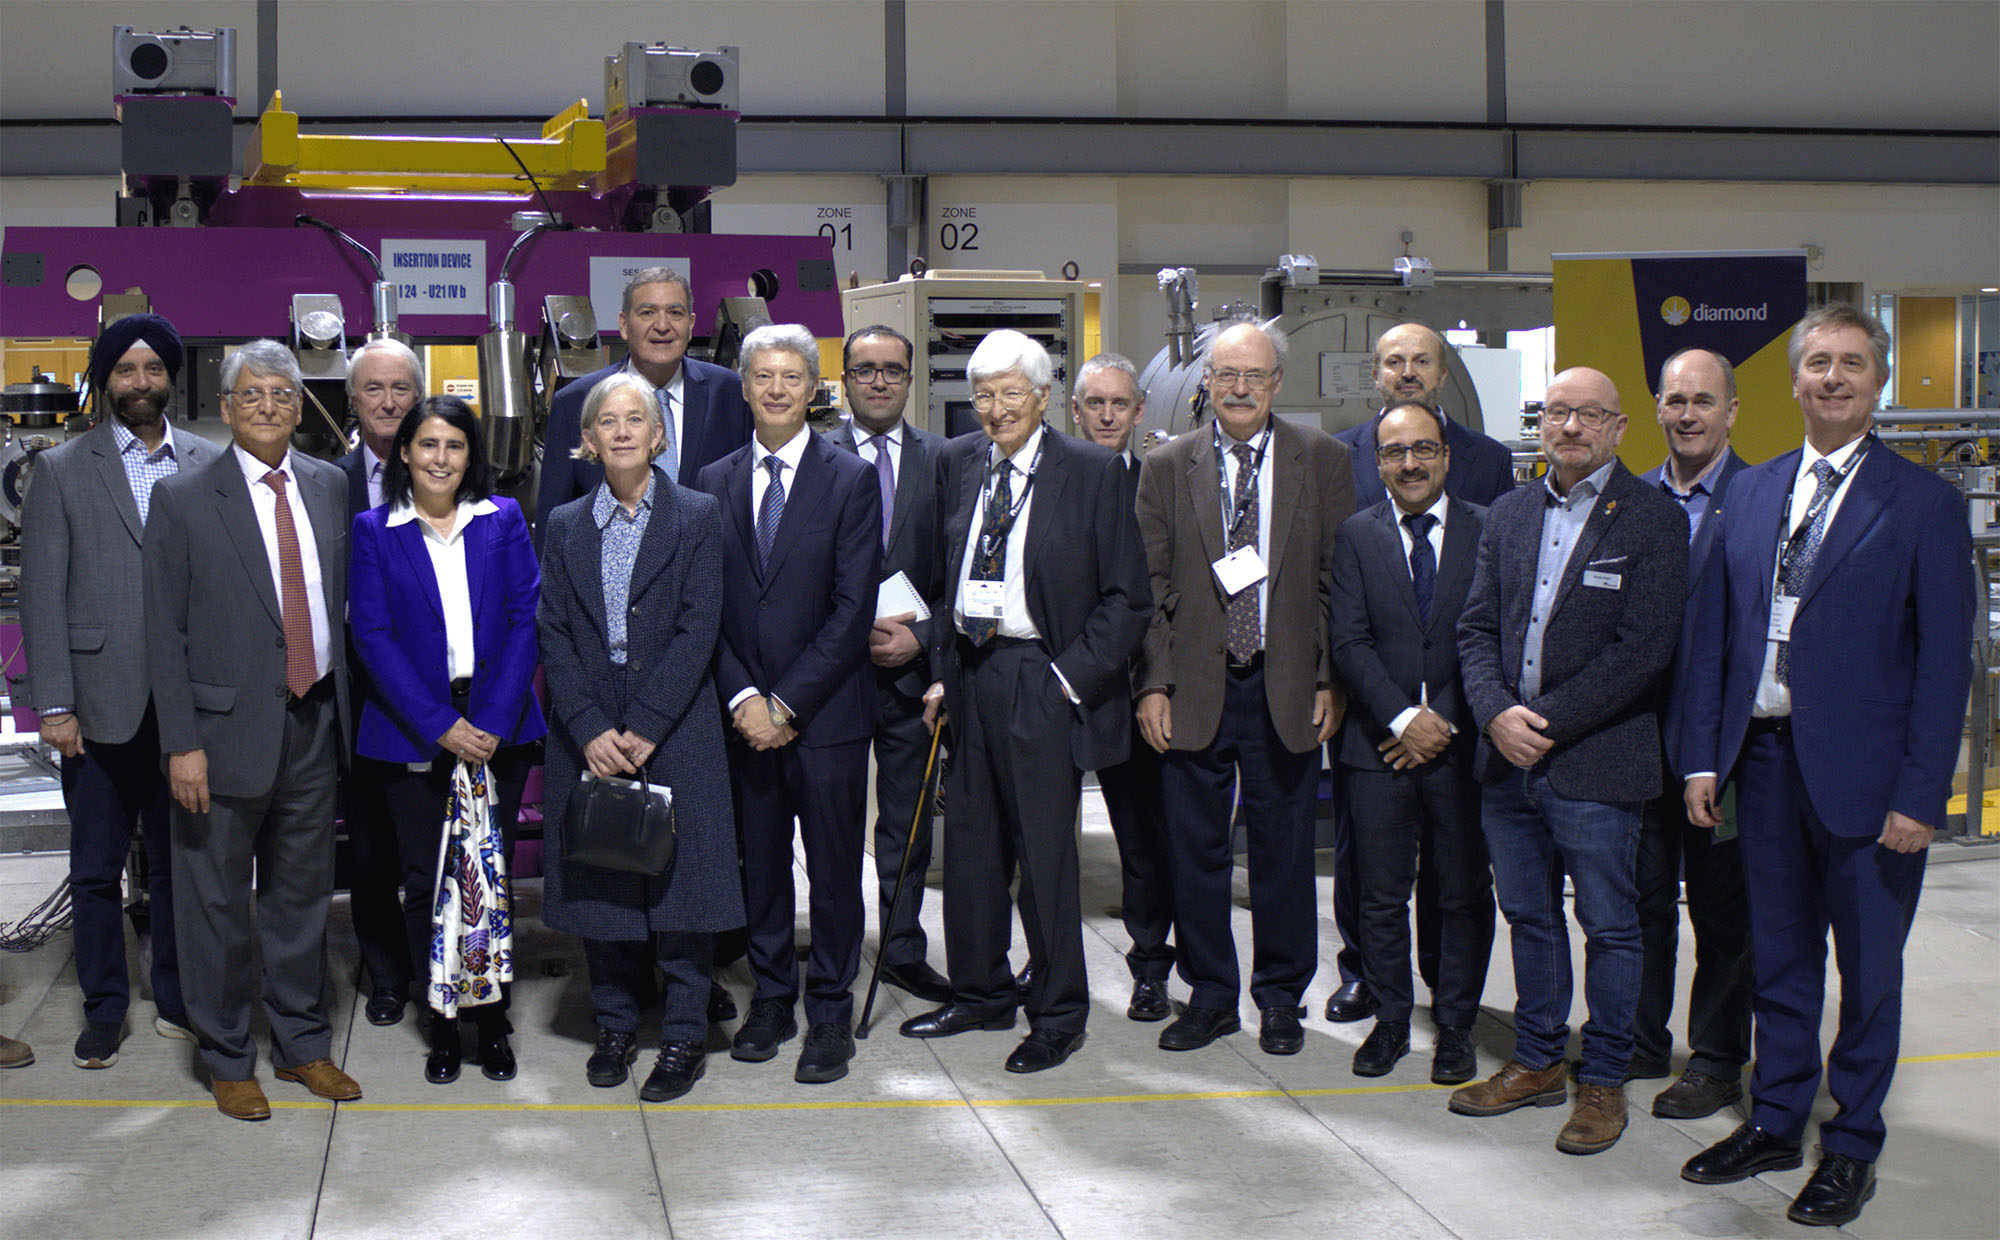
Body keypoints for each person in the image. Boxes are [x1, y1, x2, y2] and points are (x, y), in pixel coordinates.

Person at [1678, 305, 1976, 1227]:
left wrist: (1923, 793)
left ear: (1877, 381)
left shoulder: (1923, 502)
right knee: (1780, 960)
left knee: (1870, 972)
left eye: (1851, 363)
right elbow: (1716, 642)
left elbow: (1942, 662)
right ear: (1794, 381)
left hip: (1871, 783)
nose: (1833, 378)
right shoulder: (1756, 493)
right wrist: (1702, 760)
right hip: (1762, 766)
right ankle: (1774, 1118)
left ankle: (1851, 1144)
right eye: (1817, 364)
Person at [1450, 366, 1686, 1155]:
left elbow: (1642, 652)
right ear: (1540, 423)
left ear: (1620, 428)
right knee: (1529, 917)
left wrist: (1541, 722)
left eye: (1589, 415)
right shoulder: (1510, 513)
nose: (1572, 428)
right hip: (1508, 763)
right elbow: (1476, 630)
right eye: (1558, 413)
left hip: (1595, 761)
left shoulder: (1651, 520)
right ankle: (1539, 1060)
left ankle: (1604, 1080)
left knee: (1611, 927)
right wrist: (1494, 715)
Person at [901, 328, 1149, 1074]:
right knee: (971, 851)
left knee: (1044, 859)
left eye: (1012, 393)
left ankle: (1058, 1012)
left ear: (1044, 397)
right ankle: (980, 992)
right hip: (972, 676)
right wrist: (942, 669)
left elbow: (1126, 601)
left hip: (1044, 677)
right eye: (982, 393)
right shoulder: (957, 462)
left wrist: (1067, 682)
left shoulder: (1094, 473)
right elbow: (940, 580)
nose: (995, 408)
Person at [144, 339, 360, 1120]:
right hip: (219, 735)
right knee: (214, 904)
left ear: (301, 408)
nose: (268, 406)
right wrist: (181, 743)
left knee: (301, 901)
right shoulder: (184, 496)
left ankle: (302, 1045)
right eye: (252, 394)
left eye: (282, 394)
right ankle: (228, 1055)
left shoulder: (330, 486)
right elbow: (162, 631)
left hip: (311, 722)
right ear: (227, 407)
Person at [1134, 320, 1350, 1057]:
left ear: (1277, 383)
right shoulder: (1167, 467)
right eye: (1226, 374)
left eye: (1254, 376)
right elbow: (1151, 589)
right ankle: (1211, 995)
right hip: (1195, 687)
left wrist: (1328, 677)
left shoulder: (1321, 460)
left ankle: (1281, 996)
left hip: (1285, 687)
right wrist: (1154, 685)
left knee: (1284, 853)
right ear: (1205, 382)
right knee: (1195, 853)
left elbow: (1334, 581)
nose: (1239, 388)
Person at [538, 371, 746, 1103]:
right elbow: (553, 632)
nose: (622, 431)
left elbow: (700, 627)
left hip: (677, 725)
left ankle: (686, 1031)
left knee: (684, 888)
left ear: (659, 436)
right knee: (604, 884)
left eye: (637, 419)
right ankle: (617, 1023)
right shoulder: (564, 525)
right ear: (587, 442)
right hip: (589, 725)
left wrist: (647, 728)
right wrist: (592, 728)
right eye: (607, 421)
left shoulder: (697, 515)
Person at [21, 313, 218, 1068]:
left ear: (171, 377)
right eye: (125, 370)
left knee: (177, 866)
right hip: (98, 708)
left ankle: (174, 997)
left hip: (185, 709)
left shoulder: (207, 459)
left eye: (153, 369)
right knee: (97, 869)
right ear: (105, 381)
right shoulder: (65, 470)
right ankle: (105, 1007)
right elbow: (43, 593)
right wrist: (56, 704)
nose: (140, 382)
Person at [697, 324, 881, 1085]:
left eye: (790, 376)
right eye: (762, 376)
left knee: (835, 871)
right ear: (744, 388)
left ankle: (828, 1009)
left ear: (813, 389)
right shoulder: (711, 482)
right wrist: (745, 697)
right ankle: (773, 997)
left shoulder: (850, 479)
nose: (776, 388)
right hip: (744, 721)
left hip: (827, 717)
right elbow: (706, 607)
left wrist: (786, 703)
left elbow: (852, 609)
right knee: (762, 869)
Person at [348, 396, 546, 1084]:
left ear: (472, 457)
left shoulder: (503, 521)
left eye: (454, 446)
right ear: (404, 452)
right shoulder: (375, 530)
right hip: (416, 728)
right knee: (426, 881)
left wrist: (487, 721)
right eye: (427, 444)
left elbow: (527, 619)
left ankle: (492, 1021)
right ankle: (441, 1023)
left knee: (488, 879)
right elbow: (371, 636)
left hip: (500, 726)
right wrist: (442, 726)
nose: (440, 458)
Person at [1328, 320, 1516, 1024]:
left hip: (1461, 720)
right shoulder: (1337, 455)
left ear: (1442, 374)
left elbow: (1493, 608)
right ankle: (1370, 983)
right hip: (1376, 717)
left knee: (1459, 878)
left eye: (1421, 361)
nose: (1407, 371)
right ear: (1375, 373)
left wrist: (1449, 716)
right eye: (1393, 361)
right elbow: (1344, 612)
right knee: (1368, 870)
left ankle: (1450, 995)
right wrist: (1399, 715)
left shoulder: (1488, 463)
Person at [1633, 348, 1753, 1117]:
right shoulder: (1630, 501)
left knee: (1722, 912)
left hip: (1726, 753)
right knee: (1638, 904)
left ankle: (1714, 1058)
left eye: (1702, 401)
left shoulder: (1763, 499)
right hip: (1636, 743)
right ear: (1656, 409)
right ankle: (1640, 1040)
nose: (1687, 414)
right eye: (1675, 400)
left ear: (1731, 411)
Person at [822, 324, 954, 1005]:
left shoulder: (946, 460)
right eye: (865, 369)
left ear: (910, 378)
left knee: (906, 825)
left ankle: (901, 949)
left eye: (892, 370)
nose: (879, 381)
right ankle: (836, 951)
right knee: (835, 824)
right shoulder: (815, 458)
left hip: (909, 676)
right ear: (845, 379)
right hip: (834, 681)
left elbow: (960, 574)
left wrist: (923, 637)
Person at [1071, 352, 1177, 1021]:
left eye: (1119, 404)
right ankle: (1049, 961)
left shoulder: (1160, 488)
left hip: (1138, 688)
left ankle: (1149, 965)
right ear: (1075, 410)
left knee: (1142, 836)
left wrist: (1155, 687)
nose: (1107, 415)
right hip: (1070, 689)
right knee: (1046, 838)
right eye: (1095, 404)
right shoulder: (1055, 482)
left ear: (1140, 411)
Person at [334, 338, 427, 1029]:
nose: (390, 401)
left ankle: (440, 972)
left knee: (437, 851)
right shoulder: (324, 482)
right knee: (370, 852)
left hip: (439, 700)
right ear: (352, 399)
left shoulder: (451, 468)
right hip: (361, 699)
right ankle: (388, 975)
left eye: (401, 388)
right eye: (374, 389)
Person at [536, 266, 753, 545]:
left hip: (706, 579)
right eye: (647, 312)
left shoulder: (732, 394)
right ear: (624, 325)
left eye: (675, 313)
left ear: (691, 325)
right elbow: (552, 527)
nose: (662, 326)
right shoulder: (575, 402)